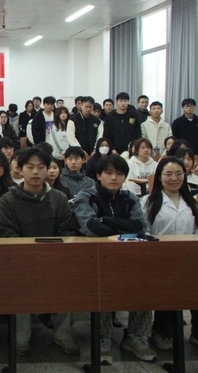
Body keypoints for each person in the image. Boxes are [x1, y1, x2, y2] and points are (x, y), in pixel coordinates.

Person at [73, 154, 154, 364]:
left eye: (119, 173)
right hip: (96, 258)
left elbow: (140, 227)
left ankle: (136, 335)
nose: (114, 178)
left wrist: (106, 220)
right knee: (103, 285)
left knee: (146, 284)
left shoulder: (130, 198)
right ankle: (104, 337)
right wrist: (123, 227)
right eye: (108, 173)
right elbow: (91, 228)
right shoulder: (86, 196)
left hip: (129, 258)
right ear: (99, 175)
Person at [0, 148, 78, 356]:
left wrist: (50, 258)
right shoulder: (8, 200)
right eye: (30, 167)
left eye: (41, 167)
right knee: (20, 279)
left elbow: (66, 232)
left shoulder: (59, 198)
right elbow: (8, 235)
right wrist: (31, 257)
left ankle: (63, 333)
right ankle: (21, 336)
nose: (35, 172)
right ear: (19, 169)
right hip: (21, 261)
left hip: (55, 260)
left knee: (70, 277)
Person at [141, 157, 198, 350]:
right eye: (169, 174)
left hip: (188, 258)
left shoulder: (191, 202)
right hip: (159, 259)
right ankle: (161, 332)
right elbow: (144, 231)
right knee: (167, 293)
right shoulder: (148, 202)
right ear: (159, 177)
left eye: (179, 174)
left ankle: (196, 332)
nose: (174, 178)